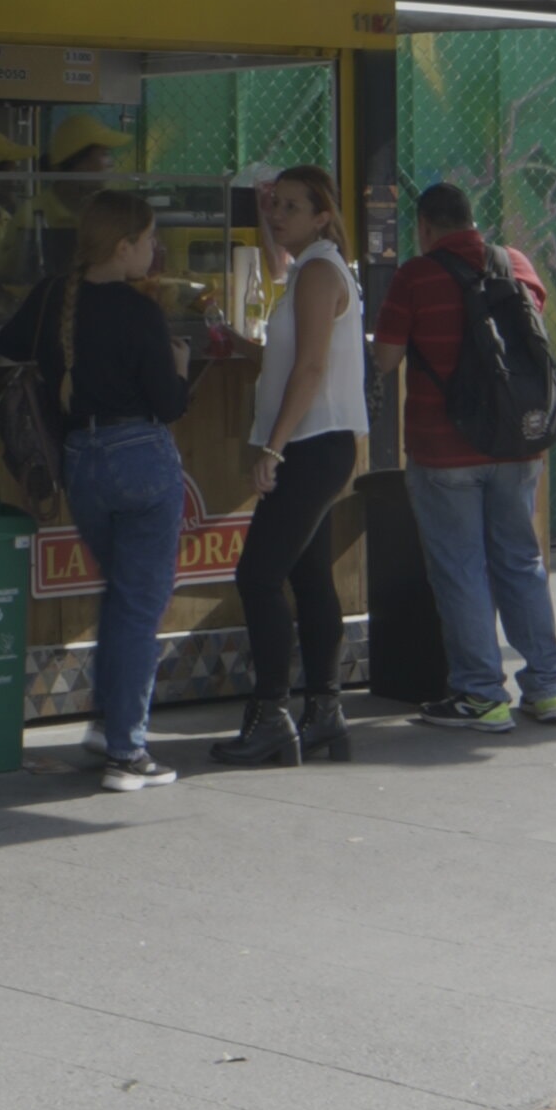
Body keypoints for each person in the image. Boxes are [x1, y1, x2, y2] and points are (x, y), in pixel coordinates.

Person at [0, 186, 190, 788]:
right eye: (151, 240)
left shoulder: (57, 296)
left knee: (122, 598)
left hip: (81, 461)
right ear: (124, 245)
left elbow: (8, 343)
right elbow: (168, 403)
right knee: (138, 606)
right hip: (142, 460)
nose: (156, 250)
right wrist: (181, 367)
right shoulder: (140, 313)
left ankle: (110, 726)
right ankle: (127, 752)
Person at [371, 180, 556, 732]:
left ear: (425, 227)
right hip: (518, 442)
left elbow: (386, 359)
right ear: (471, 220)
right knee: (521, 561)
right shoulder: (516, 263)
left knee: (461, 570)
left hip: (444, 450)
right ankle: (547, 688)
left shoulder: (416, 274)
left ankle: (482, 694)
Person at [219, 163, 365, 769]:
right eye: (275, 205)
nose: (278, 217)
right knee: (307, 578)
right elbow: (301, 357)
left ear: (323, 215)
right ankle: (324, 712)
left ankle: (272, 712)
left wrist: (272, 448)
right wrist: (248, 349)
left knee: (257, 576)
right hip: (320, 442)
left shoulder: (318, 272)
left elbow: (310, 369)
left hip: (312, 443)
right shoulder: (313, 268)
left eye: (291, 208)